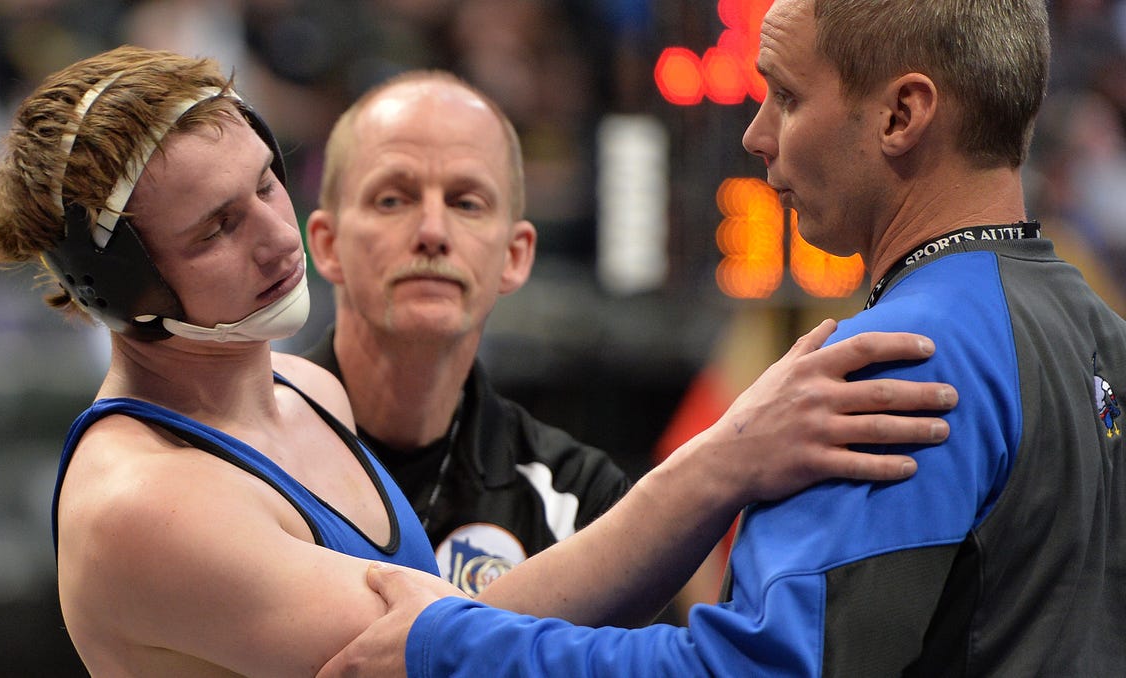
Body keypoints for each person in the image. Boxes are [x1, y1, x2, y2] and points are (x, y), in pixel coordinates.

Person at [0, 45, 958, 676]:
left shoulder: (307, 391)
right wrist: (725, 458)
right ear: (128, 297)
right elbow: (434, 651)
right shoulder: (145, 508)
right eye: (218, 228)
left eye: (267, 183)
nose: (270, 234)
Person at [319, 0, 1126, 676]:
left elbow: (755, 671)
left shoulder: (899, 363)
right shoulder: (1104, 336)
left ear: (901, 114)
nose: (755, 134)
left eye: (786, 96)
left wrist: (448, 644)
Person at [299, 70, 632, 594]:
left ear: (515, 256)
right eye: (393, 199)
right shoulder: (241, 459)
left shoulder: (579, 501)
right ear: (326, 244)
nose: (432, 232)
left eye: (466, 203)